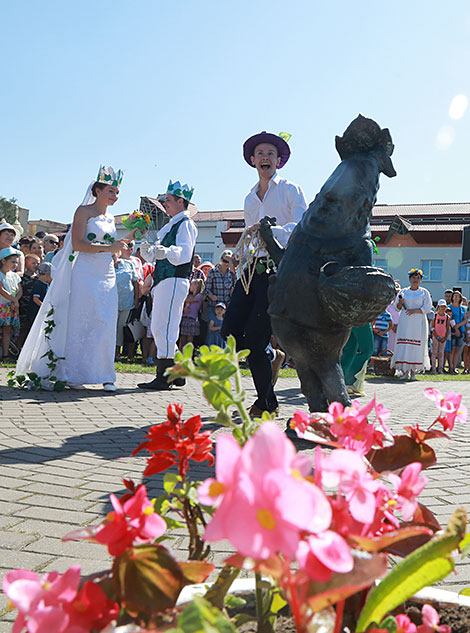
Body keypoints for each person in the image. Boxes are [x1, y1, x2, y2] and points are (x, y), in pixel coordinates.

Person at [16, 166, 132, 391]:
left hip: (107, 273)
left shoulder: (110, 218)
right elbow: (78, 244)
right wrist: (110, 247)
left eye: (117, 192)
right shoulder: (83, 211)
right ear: (97, 190)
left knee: (105, 321)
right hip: (85, 273)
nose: (115, 196)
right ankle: (74, 373)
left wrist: (127, 240)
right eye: (111, 191)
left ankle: (106, 374)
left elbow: (111, 247)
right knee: (82, 321)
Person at [221, 131, 308, 417]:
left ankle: (266, 403)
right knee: (230, 330)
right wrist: (239, 255)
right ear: (252, 160)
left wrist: (273, 232)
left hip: (276, 272)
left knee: (256, 340)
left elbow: (302, 226)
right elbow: (248, 234)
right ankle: (273, 358)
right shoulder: (249, 198)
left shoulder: (290, 189)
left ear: (279, 161)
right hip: (249, 271)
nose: (265, 158)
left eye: (270, 153)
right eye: (260, 154)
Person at [137, 180, 198, 390]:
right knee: (161, 326)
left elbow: (184, 253)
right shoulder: (172, 224)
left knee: (165, 326)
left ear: (181, 201)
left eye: (168, 200)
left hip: (174, 280)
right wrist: (150, 252)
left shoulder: (186, 224)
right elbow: (161, 254)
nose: (165, 204)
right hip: (165, 280)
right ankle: (177, 372)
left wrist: (166, 252)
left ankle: (165, 376)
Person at [391, 268, 433, 380]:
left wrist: (415, 311)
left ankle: (413, 372)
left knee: (416, 345)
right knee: (404, 344)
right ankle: (404, 371)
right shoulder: (403, 291)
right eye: (413, 278)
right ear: (410, 279)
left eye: (418, 278)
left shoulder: (424, 292)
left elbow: (428, 307)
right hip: (405, 320)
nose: (415, 280)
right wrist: (400, 303)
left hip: (418, 321)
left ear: (420, 280)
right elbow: (397, 308)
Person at [115, 244, 140, 361]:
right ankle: (110, 352)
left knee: (120, 328)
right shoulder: (108, 264)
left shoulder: (130, 264)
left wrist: (136, 300)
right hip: (112, 302)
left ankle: (117, 353)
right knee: (112, 328)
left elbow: (135, 283)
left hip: (127, 302)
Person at [0, 247, 22, 360]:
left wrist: (15, 300)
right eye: (13, 262)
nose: (15, 265)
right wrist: (13, 300)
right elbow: (1, 290)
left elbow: (20, 291)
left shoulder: (15, 276)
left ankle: (5, 354)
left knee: (7, 330)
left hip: (10, 307)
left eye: (17, 262)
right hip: (1, 306)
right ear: (3, 261)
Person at [17, 254, 41, 348]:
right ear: (26, 264)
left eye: (38, 263)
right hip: (23, 307)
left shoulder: (38, 279)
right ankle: (18, 348)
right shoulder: (21, 278)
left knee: (30, 330)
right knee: (23, 330)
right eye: (33, 263)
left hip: (33, 308)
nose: (36, 265)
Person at [204, 250, 236, 320]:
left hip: (227, 306)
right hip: (214, 306)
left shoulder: (232, 274)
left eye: (229, 262)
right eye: (225, 261)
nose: (227, 264)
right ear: (221, 259)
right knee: (213, 329)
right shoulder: (212, 272)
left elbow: (235, 289)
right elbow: (206, 289)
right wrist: (211, 296)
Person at [179, 278, 204, 349]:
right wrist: (184, 309)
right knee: (182, 338)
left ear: (196, 286)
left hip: (192, 319)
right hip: (185, 318)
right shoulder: (188, 295)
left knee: (190, 339)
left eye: (191, 285)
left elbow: (188, 300)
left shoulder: (199, 296)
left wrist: (182, 298)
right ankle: (181, 354)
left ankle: (189, 355)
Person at [448, 290, 467, 374]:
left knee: (457, 350)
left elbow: (465, 320)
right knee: (451, 350)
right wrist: (455, 329)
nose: (455, 297)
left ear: (460, 298)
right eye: (454, 295)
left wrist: (458, 326)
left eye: (457, 296)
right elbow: (449, 319)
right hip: (452, 331)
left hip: (461, 331)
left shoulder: (463, 308)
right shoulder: (449, 307)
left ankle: (455, 367)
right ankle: (450, 367)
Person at [430, 299, 450, 374]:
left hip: (443, 337)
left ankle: (440, 368)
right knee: (434, 352)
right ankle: (434, 368)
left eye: (444, 306)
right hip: (436, 336)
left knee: (441, 353)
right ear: (438, 307)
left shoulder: (447, 317)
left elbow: (447, 328)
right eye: (441, 306)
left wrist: (445, 337)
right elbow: (433, 327)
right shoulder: (435, 315)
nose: (443, 308)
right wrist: (437, 336)